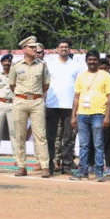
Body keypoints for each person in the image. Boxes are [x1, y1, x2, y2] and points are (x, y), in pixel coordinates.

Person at [10, 37, 50, 177]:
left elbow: (46, 85)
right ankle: (21, 166)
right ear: (24, 49)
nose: (35, 49)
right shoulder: (16, 65)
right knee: (20, 135)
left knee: (40, 135)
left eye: (36, 47)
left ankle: (44, 165)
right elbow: (12, 84)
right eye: (32, 47)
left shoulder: (42, 65)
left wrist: (35, 96)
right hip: (20, 100)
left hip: (37, 101)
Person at [70, 50, 110, 181]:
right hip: (82, 114)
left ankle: (99, 172)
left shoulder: (105, 76)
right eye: (90, 59)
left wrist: (107, 116)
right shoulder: (81, 76)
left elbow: (109, 97)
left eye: (95, 59)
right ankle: (83, 171)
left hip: (98, 114)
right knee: (83, 145)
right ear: (86, 61)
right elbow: (76, 97)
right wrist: (73, 115)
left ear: (98, 61)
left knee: (98, 145)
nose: (92, 62)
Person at [46, 39, 80, 174]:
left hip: (69, 105)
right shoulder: (49, 64)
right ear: (57, 49)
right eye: (61, 47)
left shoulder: (76, 65)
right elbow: (44, 84)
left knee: (68, 138)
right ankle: (49, 165)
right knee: (50, 138)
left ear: (70, 49)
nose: (64, 49)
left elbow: (79, 87)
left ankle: (66, 165)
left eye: (66, 47)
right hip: (52, 104)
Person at [0, 54, 15, 166]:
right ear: (1, 63)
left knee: (14, 133)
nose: (7, 63)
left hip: (12, 104)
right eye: (4, 61)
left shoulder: (15, 75)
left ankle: (16, 158)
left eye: (8, 61)